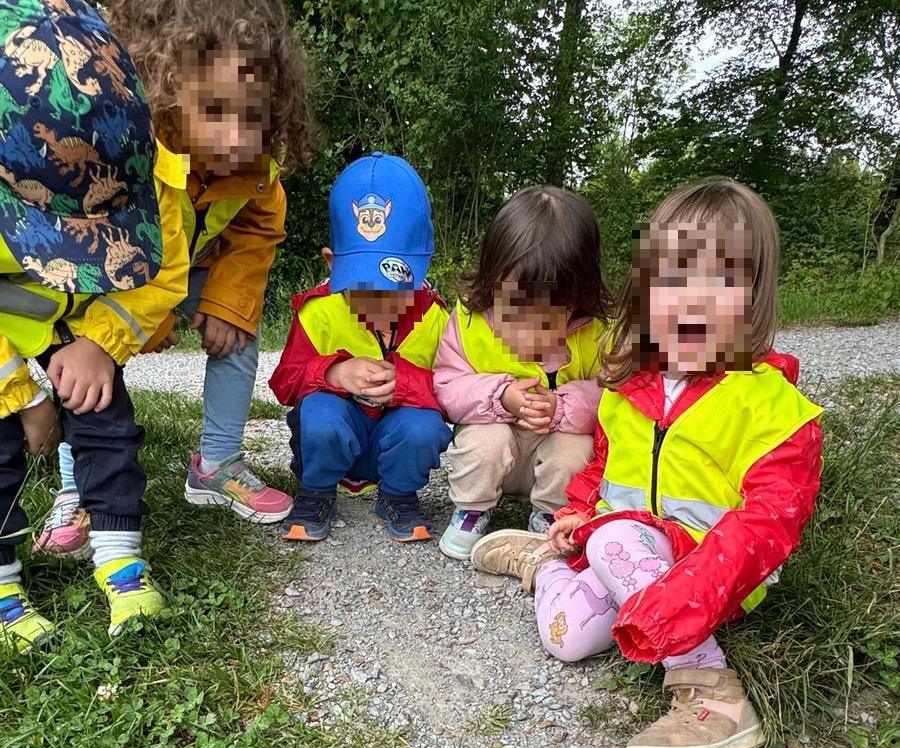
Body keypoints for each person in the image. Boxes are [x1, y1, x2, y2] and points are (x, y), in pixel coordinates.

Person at [470, 178, 823, 748]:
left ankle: (709, 690)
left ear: (755, 297)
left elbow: (769, 524)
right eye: (673, 279)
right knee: (567, 638)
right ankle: (545, 561)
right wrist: (579, 511)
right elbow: (606, 466)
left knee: (613, 538)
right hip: (622, 552)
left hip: (707, 572)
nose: (692, 302)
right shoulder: (630, 386)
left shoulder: (774, 410)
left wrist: (681, 592)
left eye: (721, 283)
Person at [35, 0, 317, 555]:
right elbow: (97, 245)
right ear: (166, 90)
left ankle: (217, 462)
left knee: (238, 333)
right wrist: (118, 330)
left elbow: (260, 234)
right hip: (120, 274)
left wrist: (227, 301)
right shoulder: (127, 145)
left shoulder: (258, 172)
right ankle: (78, 489)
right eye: (215, 110)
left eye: (253, 116)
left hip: (193, 273)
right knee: (87, 361)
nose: (237, 137)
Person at [0, 0, 189, 650]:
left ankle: (121, 568)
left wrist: (98, 345)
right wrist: (24, 399)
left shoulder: (142, 152)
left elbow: (164, 268)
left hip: (73, 318)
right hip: (6, 321)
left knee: (103, 410)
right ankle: (1, 594)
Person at [270, 152, 451, 543]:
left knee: (426, 426)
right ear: (332, 264)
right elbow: (284, 382)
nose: (381, 302)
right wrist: (332, 373)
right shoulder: (318, 311)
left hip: (396, 439)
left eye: (396, 288)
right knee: (318, 411)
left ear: (421, 269)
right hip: (338, 434)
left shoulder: (437, 317)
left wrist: (404, 383)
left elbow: (453, 392)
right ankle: (316, 492)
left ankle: (398, 494)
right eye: (364, 287)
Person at [433, 186, 612, 561]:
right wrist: (500, 396)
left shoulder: (597, 334)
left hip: (551, 459)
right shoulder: (469, 324)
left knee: (576, 448)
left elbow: (614, 395)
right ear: (492, 284)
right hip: (499, 447)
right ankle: (472, 509)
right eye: (512, 313)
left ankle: (549, 516)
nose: (527, 333)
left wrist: (563, 408)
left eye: (546, 320)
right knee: (482, 440)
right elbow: (447, 386)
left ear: (578, 300)